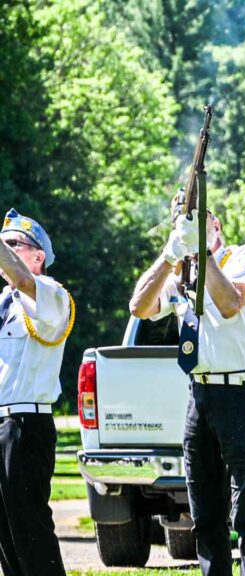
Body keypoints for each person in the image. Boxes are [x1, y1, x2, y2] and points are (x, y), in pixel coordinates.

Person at [129, 207, 245, 576]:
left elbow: (230, 304)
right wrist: (170, 255)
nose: (191, 225)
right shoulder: (181, 273)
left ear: (217, 225)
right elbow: (140, 306)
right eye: (182, 220)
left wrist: (202, 250)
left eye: (200, 219)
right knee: (205, 514)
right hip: (201, 396)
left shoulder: (242, 256)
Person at [0, 208, 71, 576]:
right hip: (1, 423)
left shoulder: (50, 293)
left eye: (12, 244)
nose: (5, 249)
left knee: (29, 527)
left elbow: (23, 281)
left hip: (25, 424)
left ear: (37, 256)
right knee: (6, 535)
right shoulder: (2, 302)